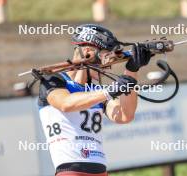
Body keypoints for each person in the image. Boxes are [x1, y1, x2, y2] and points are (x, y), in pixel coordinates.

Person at [38, 24, 153, 176]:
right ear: (87, 52)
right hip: (71, 171)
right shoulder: (52, 79)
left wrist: (131, 70)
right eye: (104, 57)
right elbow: (66, 103)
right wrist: (110, 90)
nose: (106, 66)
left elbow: (125, 115)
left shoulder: (96, 91)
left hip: (101, 172)